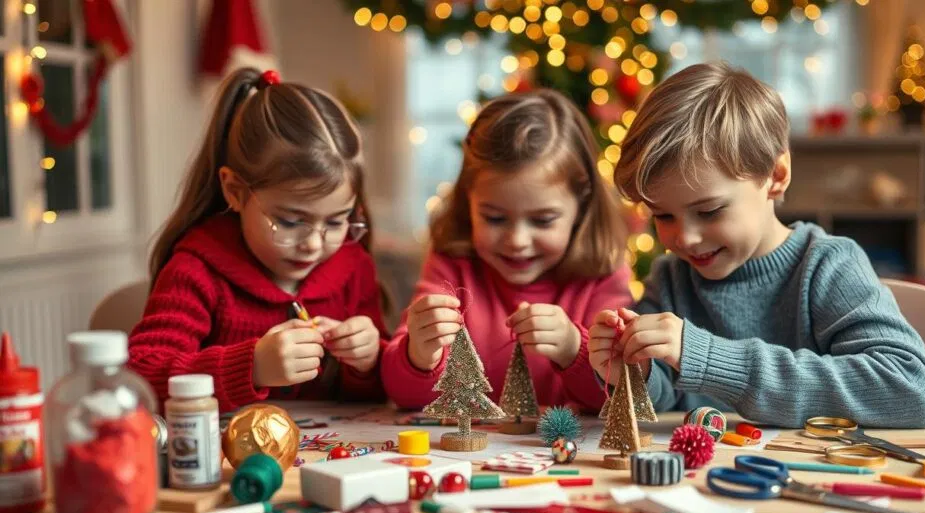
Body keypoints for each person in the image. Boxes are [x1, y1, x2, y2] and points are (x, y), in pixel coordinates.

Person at [588, 63, 925, 428]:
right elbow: (663, 400)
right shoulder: (672, 280)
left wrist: (707, 358)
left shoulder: (827, 266)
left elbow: (911, 389)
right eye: (662, 217)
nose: (685, 238)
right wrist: (636, 371)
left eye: (709, 211)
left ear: (776, 176)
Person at [129, 68, 387, 411]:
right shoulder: (196, 271)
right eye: (291, 221)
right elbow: (139, 378)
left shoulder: (353, 268)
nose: (313, 244)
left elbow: (379, 396)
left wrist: (370, 359)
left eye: (337, 221)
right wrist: (250, 367)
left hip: (331, 460)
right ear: (235, 191)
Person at [383, 90, 632, 413]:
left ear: (582, 203)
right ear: (468, 199)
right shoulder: (452, 264)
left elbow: (620, 402)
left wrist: (575, 349)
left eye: (542, 220)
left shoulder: (603, 273)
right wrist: (418, 353)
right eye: (495, 218)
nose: (517, 240)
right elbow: (403, 395)